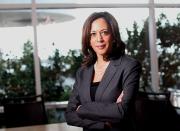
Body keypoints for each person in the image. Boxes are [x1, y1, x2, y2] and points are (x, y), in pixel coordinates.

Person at [65, 11, 142, 131]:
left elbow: (122, 111)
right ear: (88, 39)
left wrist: (82, 109)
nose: (99, 39)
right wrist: (102, 125)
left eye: (104, 33)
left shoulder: (129, 66)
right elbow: (69, 115)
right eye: (93, 34)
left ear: (114, 35)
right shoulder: (82, 72)